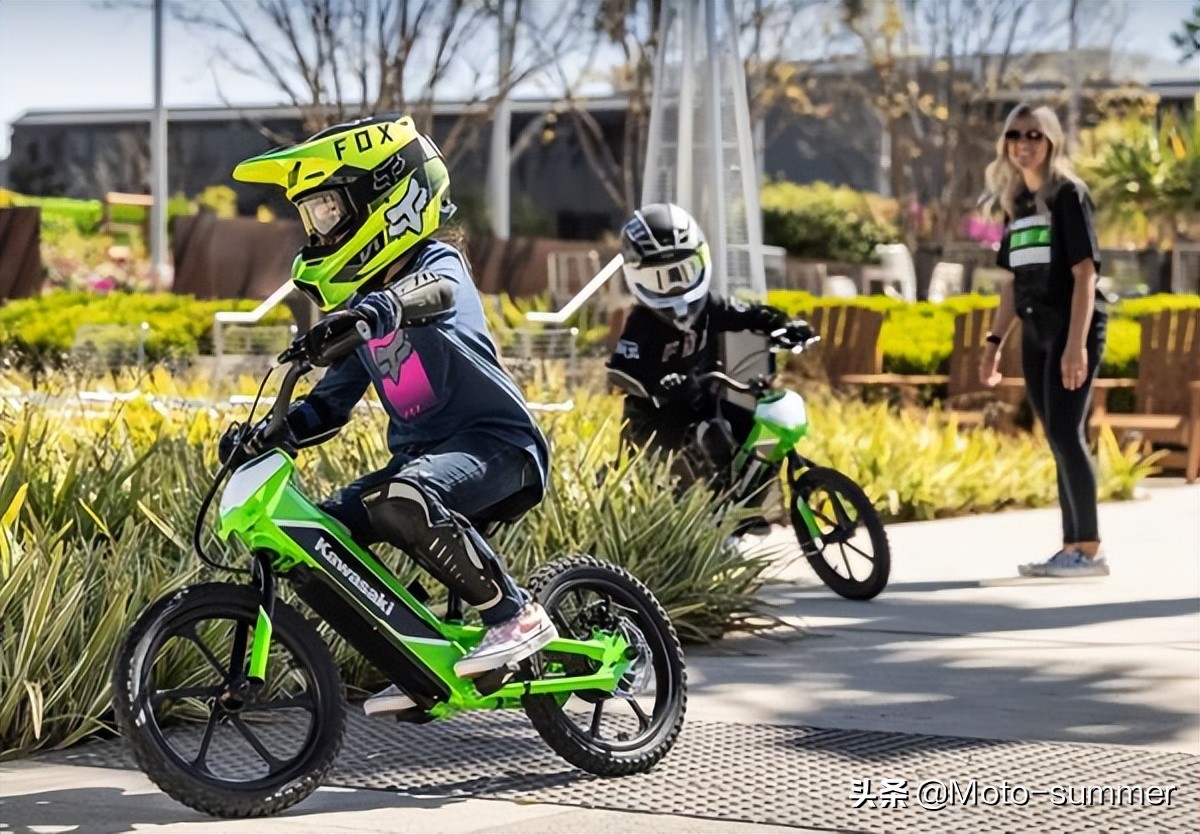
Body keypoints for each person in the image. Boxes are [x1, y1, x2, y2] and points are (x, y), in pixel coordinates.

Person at [231, 115, 557, 716]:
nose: (318, 229)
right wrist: (268, 434)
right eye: (311, 217)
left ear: (390, 197)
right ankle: (418, 656)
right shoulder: (364, 311)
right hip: (425, 465)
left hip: (496, 449)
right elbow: (329, 404)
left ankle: (515, 615)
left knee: (403, 497)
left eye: (328, 210)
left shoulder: (436, 264)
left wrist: (376, 311)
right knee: (320, 536)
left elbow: (436, 293)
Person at [605, 202, 813, 532]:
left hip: (704, 397)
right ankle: (718, 511)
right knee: (711, 436)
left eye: (683, 272)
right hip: (659, 420)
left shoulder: (709, 305)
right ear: (637, 278)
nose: (675, 287)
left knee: (751, 424)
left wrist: (783, 324)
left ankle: (751, 506)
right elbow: (621, 371)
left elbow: (746, 313)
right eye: (659, 279)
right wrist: (660, 386)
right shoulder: (642, 324)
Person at [980, 103, 1109, 578]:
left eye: (1034, 135)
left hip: (1073, 327)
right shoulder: (1016, 203)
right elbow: (1013, 282)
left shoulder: (1068, 196)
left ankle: (1089, 549)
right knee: (1054, 436)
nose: (1023, 144)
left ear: (1051, 140)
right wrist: (993, 343)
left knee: (1065, 433)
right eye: (1015, 135)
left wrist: (1076, 345)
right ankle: (1070, 546)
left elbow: (1085, 275)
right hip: (1035, 331)